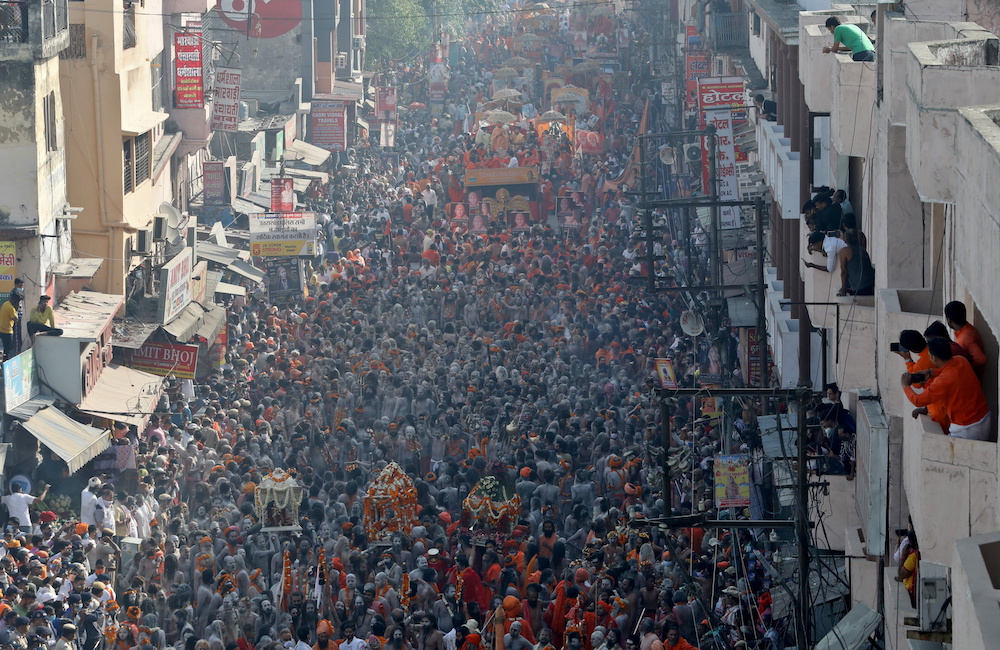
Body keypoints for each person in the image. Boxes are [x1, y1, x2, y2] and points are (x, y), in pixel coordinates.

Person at [902, 336, 991, 440]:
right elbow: (950, 370)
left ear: (933, 358)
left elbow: (918, 400)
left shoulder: (942, 381)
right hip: (984, 417)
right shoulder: (961, 360)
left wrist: (905, 385)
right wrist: (931, 372)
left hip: (967, 427)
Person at [944, 300, 987, 372]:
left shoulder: (967, 337)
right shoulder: (965, 331)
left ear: (949, 321)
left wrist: (965, 369)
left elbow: (981, 359)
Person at [837, 229, 874, 296]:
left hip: (860, 288)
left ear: (846, 240)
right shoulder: (862, 249)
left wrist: (843, 289)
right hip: (871, 284)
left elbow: (844, 272)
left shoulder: (844, 251)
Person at [0, 293, 20, 360]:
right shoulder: (11, 308)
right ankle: (5, 362)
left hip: (1, 329)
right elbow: (15, 319)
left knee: (5, 348)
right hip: (7, 331)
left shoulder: (5, 304)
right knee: (8, 349)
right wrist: (16, 310)